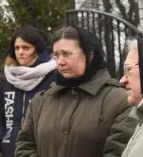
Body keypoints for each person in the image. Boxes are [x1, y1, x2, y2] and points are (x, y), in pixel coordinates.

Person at [15, 26, 136, 157]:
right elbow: (24, 147)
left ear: (89, 55)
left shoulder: (120, 100)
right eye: (56, 55)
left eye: (66, 54)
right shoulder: (40, 101)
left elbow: (119, 152)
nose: (60, 62)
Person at [0, 25, 56, 157]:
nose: (20, 52)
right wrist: (2, 140)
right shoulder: (8, 78)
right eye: (17, 48)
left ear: (38, 50)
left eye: (26, 48)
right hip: (10, 151)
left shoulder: (53, 77)